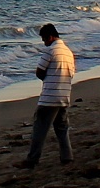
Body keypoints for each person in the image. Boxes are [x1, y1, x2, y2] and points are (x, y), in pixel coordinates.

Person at [25, 23, 75, 166]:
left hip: (49, 97)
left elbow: (39, 72)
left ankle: (32, 159)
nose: (44, 43)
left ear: (50, 37)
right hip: (64, 95)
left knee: (39, 129)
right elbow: (71, 74)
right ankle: (67, 156)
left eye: (44, 39)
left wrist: (48, 79)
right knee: (62, 128)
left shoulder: (50, 51)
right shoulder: (68, 52)